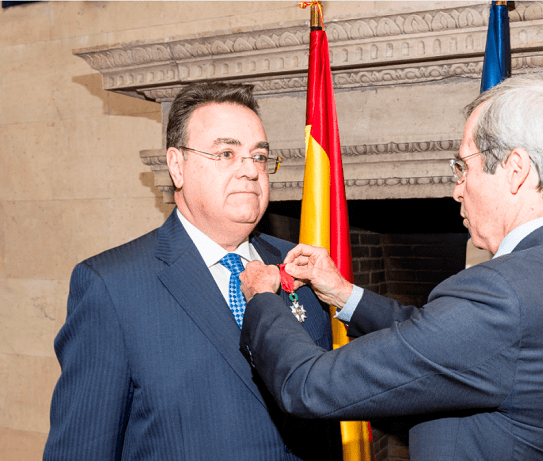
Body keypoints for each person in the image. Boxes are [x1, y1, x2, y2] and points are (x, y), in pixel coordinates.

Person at [238, 73, 543, 460]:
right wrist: (343, 294)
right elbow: (441, 339)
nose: (456, 189)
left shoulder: (504, 293)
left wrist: (261, 298)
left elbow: (310, 386)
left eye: (464, 166)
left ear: (515, 170)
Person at [44, 82, 339, 461]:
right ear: (177, 166)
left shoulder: (301, 266)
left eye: (260, 157)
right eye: (227, 153)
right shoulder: (111, 287)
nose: (250, 171)